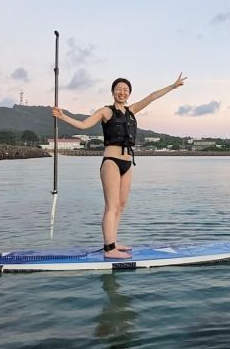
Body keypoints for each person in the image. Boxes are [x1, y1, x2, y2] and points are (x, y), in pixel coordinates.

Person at [53, 74, 187, 258]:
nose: (122, 92)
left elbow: (152, 96)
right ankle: (109, 249)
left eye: (125, 90)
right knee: (112, 205)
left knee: (121, 205)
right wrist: (63, 117)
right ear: (113, 92)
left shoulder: (132, 110)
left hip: (127, 162)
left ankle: (113, 241)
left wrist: (172, 86)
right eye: (119, 89)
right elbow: (83, 125)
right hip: (111, 162)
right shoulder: (105, 111)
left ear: (129, 93)